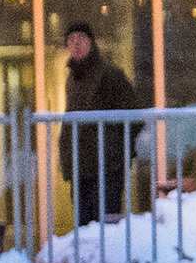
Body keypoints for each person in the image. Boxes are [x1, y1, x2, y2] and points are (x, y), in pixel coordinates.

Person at [59, 22, 141, 228]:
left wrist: (117, 150)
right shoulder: (73, 79)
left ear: (91, 42)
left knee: (104, 222)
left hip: (106, 165)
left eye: (81, 39)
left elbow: (133, 115)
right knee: (85, 224)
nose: (76, 44)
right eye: (71, 40)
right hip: (81, 164)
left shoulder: (110, 75)